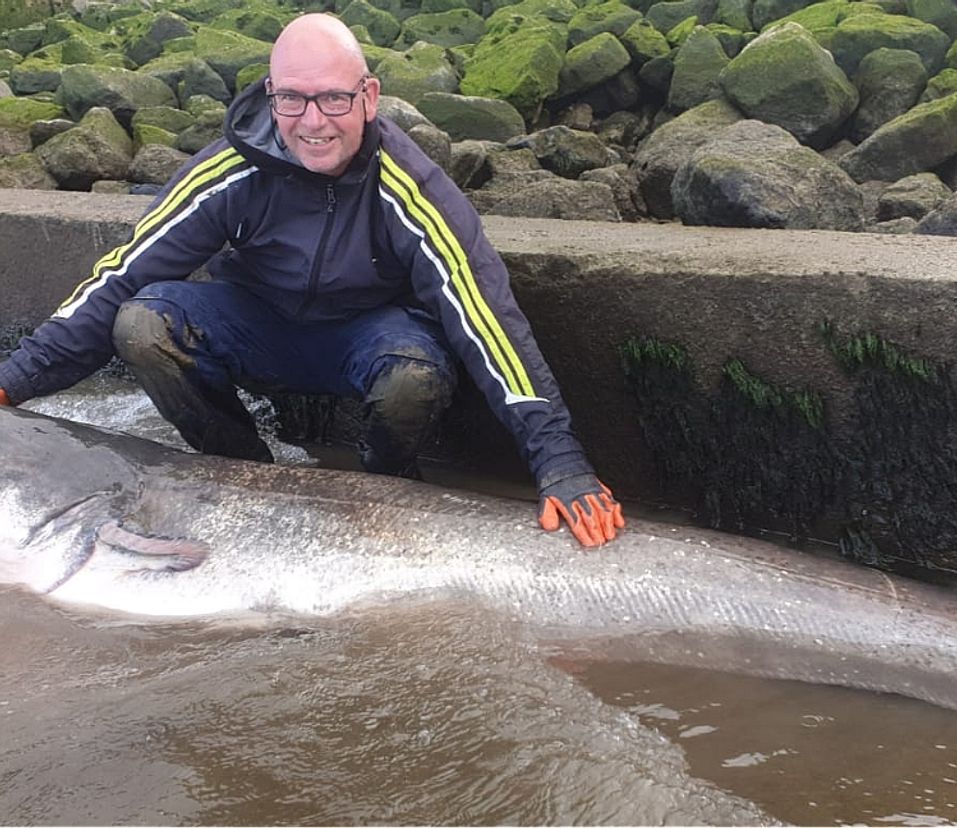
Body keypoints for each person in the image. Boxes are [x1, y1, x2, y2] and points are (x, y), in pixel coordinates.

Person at [0, 13, 624, 548]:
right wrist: (12, 384)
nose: (313, 121)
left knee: (415, 376)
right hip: (257, 326)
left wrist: (559, 462)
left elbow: (486, 319)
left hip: (368, 339)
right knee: (142, 322)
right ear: (271, 96)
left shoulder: (412, 187)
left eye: (333, 98)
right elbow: (122, 274)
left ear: (368, 98)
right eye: (293, 99)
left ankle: (385, 481)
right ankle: (241, 474)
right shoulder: (229, 169)